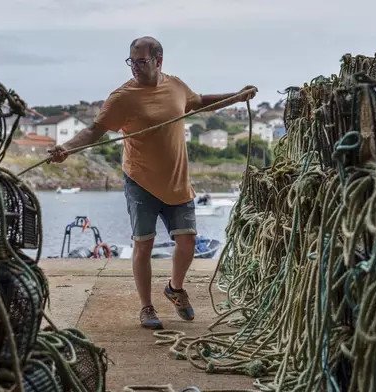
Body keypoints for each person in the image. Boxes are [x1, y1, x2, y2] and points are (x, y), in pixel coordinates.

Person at [47, 36, 256, 329]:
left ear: (159, 61)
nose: (134, 67)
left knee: (188, 241)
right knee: (143, 245)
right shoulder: (122, 97)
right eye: (131, 61)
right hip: (140, 180)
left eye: (141, 61)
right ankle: (146, 307)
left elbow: (200, 103)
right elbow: (95, 131)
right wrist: (67, 148)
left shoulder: (176, 86)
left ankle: (174, 288)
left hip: (176, 180)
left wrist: (235, 97)